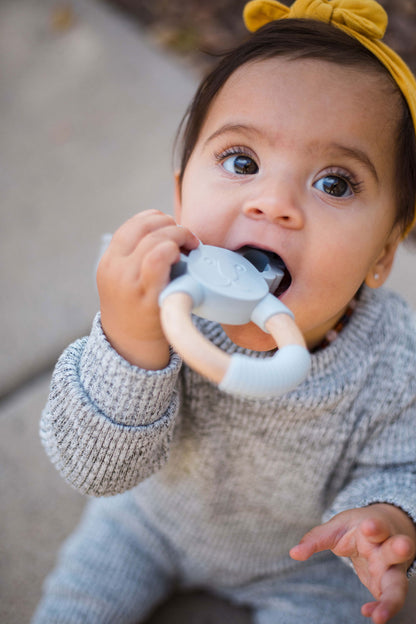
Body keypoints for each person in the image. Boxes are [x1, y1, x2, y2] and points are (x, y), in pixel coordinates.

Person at [32, 1, 416, 623]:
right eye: (242, 162)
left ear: (382, 254)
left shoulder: (392, 359)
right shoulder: (160, 306)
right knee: (73, 607)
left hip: (305, 563)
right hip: (147, 524)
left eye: (334, 183)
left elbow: (405, 460)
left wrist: (384, 518)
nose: (274, 203)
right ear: (182, 193)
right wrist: (130, 345)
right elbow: (91, 467)